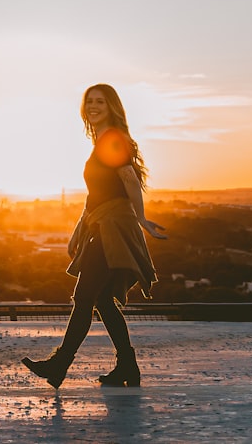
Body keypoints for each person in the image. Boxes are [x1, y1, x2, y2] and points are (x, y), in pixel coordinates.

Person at [22, 83, 166, 388]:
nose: (93, 106)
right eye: (89, 102)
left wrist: (141, 218)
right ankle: (127, 366)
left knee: (85, 296)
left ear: (112, 106)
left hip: (113, 226)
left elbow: (128, 178)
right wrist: (79, 227)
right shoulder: (102, 139)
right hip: (101, 222)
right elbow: (97, 194)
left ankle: (60, 365)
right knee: (100, 298)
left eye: (100, 101)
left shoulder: (113, 138)